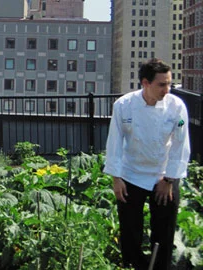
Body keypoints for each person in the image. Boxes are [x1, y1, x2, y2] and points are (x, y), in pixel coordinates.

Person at [104, 58, 190, 270]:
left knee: (164, 231)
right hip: (131, 174)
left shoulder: (176, 108)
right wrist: (116, 178)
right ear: (145, 83)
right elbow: (114, 142)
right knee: (130, 230)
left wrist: (169, 180)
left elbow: (181, 143)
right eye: (162, 84)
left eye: (169, 83)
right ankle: (133, 266)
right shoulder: (124, 106)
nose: (167, 89)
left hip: (163, 175)